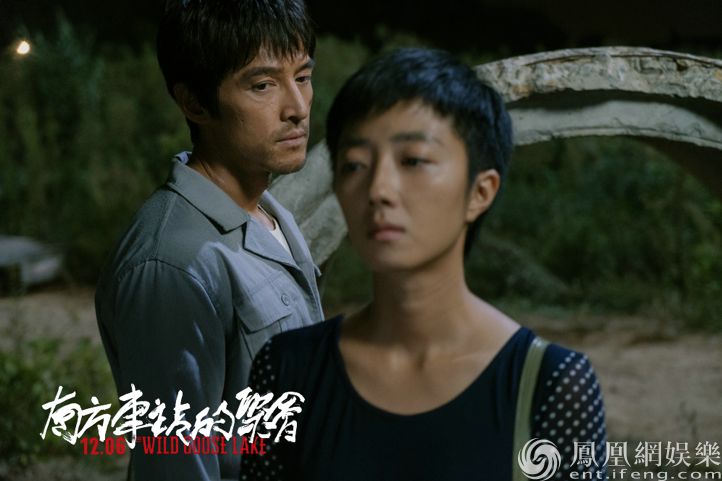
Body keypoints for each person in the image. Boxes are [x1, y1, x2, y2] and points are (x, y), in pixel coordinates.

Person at [243, 48, 608, 481]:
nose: (379, 189)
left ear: (480, 192)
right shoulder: (284, 370)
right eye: (355, 165)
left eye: (413, 160)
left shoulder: (551, 383)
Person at [94, 1, 323, 479]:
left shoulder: (268, 211)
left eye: (302, 77)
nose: (298, 108)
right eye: (262, 85)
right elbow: (176, 465)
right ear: (194, 103)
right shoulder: (172, 263)